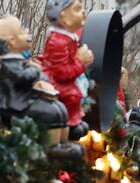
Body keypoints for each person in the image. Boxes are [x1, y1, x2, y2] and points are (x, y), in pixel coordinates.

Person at [0, 15, 80, 159]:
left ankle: (63, 142)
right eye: (22, 31)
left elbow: (37, 77)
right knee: (51, 112)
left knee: (61, 108)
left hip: (26, 101)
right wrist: (36, 70)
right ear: (12, 41)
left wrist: (40, 77)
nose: (27, 31)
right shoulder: (9, 63)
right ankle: (51, 147)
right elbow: (23, 77)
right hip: (15, 107)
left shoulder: (21, 62)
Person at [39, 0, 93, 136]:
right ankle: (66, 130)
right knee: (70, 96)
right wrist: (81, 61)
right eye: (77, 9)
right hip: (56, 86)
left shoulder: (68, 38)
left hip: (66, 88)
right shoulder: (58, 41)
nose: (83, 12)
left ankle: (72, 124)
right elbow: (61, 74)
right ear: (63, 17)